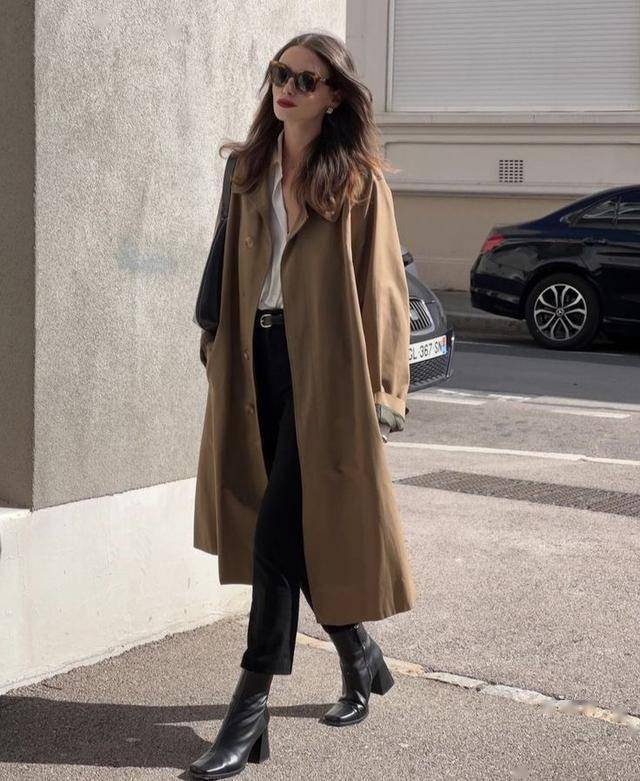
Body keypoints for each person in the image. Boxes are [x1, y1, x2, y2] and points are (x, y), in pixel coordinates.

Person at [190, 31, 416, 780]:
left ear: (335, 96)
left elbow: (384, 288)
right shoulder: (246, 168)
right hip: (254, 362)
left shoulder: (357, 182)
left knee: (276, 532)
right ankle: (360, 654)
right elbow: (226, 261)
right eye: (279, 74)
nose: (286, 88)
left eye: (305, 80)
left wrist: (384, 390)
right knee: (290, 525)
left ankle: (247, 709)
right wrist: (213, 341)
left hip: (325, 370)